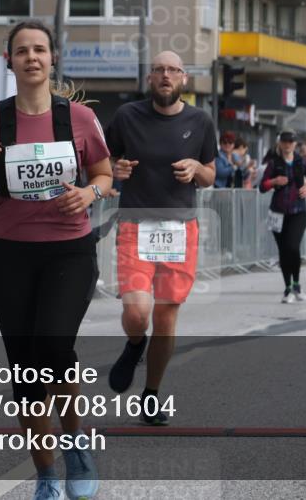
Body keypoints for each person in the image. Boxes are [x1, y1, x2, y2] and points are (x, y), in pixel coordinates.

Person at [0, 20, 112, 500]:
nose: (31, 58)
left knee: (51, 349)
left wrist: (88, 193)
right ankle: (46, 474)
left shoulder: (80, 119)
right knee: (26, 373)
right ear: (10, 60)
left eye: (39, 50)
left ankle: (76, 446)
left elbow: (105, 175)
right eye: (22, 51)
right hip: (9, 255)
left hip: (69, 251)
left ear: (52, 58)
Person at [105, 51, 216, 426]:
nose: (166, 75)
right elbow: (104, 163)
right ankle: (135, 343)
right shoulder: (127, 117)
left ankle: (151, 394)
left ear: (183, 78)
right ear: (150, 78)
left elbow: (211, 174)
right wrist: (115, 169)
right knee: (137, 312)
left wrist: (198, 167)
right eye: (159, 70)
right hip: (136, 225)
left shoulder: (200, 121)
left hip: (180, 229)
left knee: (166, 317)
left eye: (173, 70)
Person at [260, 131, 306, 302]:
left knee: (293, 247)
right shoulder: (273, 163)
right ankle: (288, 289)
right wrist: (274, 181)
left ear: (295, 144)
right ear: (280, 143)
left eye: (290, 142)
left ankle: (297, 284)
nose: (287, 145)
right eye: (284, 142)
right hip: (278, 212)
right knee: (283, 251)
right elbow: (262, 186)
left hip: (298, 212)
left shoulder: (301, 161)